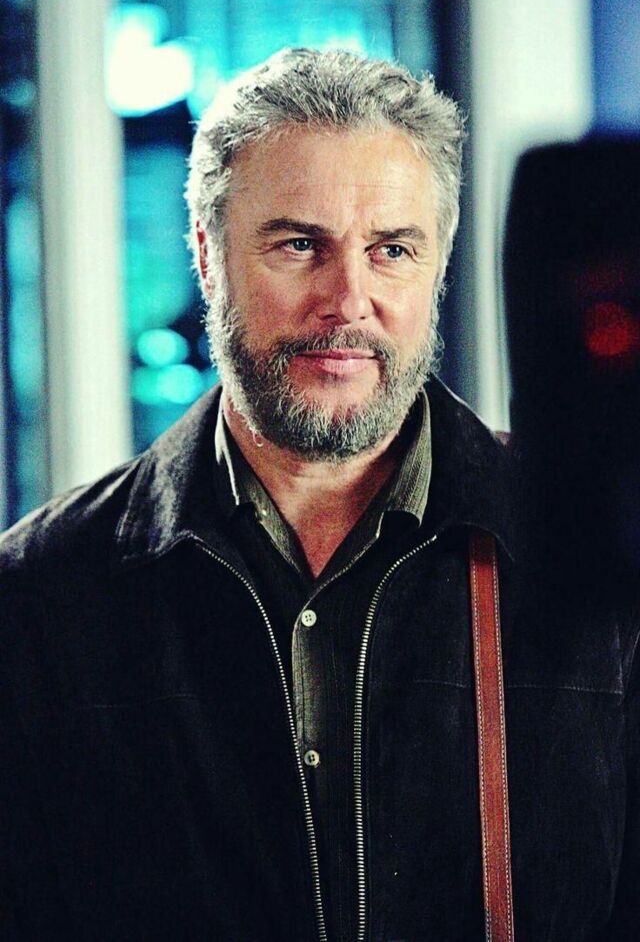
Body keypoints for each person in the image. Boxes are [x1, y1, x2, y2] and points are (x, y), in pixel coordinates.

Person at [0, 48, 638, 942]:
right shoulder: (38, 595)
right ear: (207, 257)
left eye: (391, 250)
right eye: (300, 245)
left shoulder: (601, 567)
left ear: (438, 267)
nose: (348, 300)